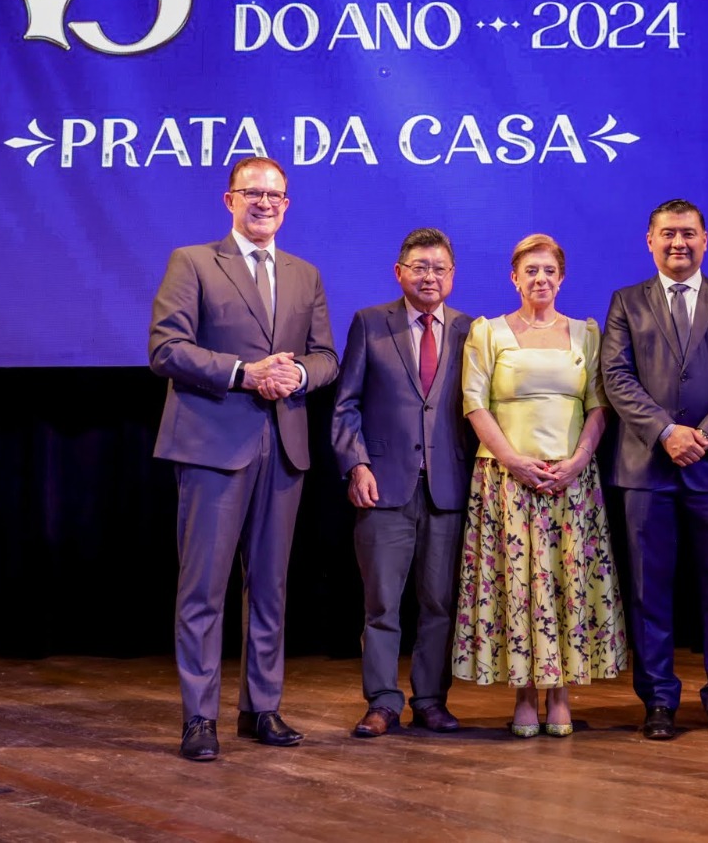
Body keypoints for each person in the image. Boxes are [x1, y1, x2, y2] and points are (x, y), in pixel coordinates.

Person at [149, 156, 339, 761]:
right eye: (252, 193)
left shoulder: (305, 274)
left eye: (274, 195)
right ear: (229, 199)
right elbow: (166, 348)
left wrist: (298, 375)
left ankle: (261, 708)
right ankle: (199, 717)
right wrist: (243, 373)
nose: (264, 203)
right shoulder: (193, 262)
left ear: (287, 205)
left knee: (270, 588)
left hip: (283, 447)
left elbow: (326, 357)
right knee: (203, 589)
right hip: (211, 446)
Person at [600, 199, 708, 741]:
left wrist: (706, 435)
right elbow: (616, 376)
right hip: (647, 469)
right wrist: (666, 432)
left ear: (705, 240)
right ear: (649, 241)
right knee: (649, 592)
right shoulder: (625, 302)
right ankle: (658, 700)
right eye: (668, 233)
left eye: (689, 233)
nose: (679, 242)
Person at [452, 233, 627, 737]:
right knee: (519, 587)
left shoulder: (586, 333)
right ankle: (524, 695)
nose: (541, 279)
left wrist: (577, 461)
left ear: (562, 277)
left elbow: (599, 405)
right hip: (507, 480)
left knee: (565, 584)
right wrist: (513, 461)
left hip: (570, 482)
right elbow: (474, 402)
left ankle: (561, 693)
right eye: (531, 270)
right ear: (514, 277)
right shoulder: (487, 333)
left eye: (549, 270)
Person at [331, 228, 475, 739]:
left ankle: (431, 700)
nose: (429, 276)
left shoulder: (472, 330)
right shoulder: (370, 323)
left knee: (440, 605)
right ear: (399, 273)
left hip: (449, 489)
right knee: (381, 605)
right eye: (419, 267)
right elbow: (346, 404)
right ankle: (382, 702)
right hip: (384, 487)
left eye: (439, 268)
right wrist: (356, 464)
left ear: (452, 276)